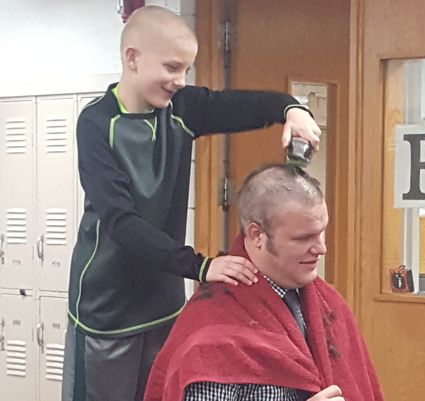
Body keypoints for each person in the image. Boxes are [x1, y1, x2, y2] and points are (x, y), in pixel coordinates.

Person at [61, 5, 321, 401]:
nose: (179, 81)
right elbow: (121, 222)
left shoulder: (181, 108)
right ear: (132, 58)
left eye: (186, 70)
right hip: (106, 308)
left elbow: (244, 105)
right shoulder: (97, 124)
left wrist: (292, 108)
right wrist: (201, 266)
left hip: (163, 305)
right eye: (171, 68)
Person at [144, 164, 383, 401]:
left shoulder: (331, 304)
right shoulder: (211, 336)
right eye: (304, 238)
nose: (321, 248)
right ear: (257, 235)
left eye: (321, 232)